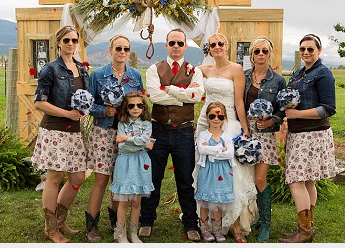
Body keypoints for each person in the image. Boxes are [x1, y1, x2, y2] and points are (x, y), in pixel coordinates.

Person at [139, 28, 205, 241]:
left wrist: (169, 89)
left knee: (185, 179)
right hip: (158, 130)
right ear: (166, 45)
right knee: (153, 177)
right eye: (172, 43)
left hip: (184, 131)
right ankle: (147, 220)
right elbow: (154, 96)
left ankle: (190, 224)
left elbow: (196, 97)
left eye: (180, 43)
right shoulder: (153, 68)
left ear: (185, 46)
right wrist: (182, 95)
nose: (176, 47)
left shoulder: (194, 71)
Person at [195, 32, 257, 242]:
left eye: (221, 43)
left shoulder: (236, 69)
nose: (217, 47)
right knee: (205, 166)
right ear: (209, 48)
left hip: (228, 119)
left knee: (231, 170)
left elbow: (239, 101)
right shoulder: (204, 69)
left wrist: (244, 128)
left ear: (227, 45)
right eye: (213, 44)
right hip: (207, 118)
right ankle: (207, 218)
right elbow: (189, 78)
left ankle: (234, 223)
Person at [31, 25, 90, 243]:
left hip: (74, 131)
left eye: (74, 40)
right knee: (54, 178)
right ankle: (51, 228)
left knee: (77, 177)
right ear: (59, 43)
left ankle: (60, 218)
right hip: (54, 129)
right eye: (67, 40)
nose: (71, 44)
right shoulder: (50, 69)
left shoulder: (81, 68)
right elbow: (39, 102)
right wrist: (67, 113)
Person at [85, 35, 144, 242]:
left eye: (126, 49)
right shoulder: (98, 74)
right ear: (110, 49)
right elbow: (88, 105)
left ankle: (115, 221)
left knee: (119, 179)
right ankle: (92, 224)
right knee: (101, 179)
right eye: (118, 48)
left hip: (127, 134)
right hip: (104, 132)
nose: (122, 52)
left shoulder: (135, 75)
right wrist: (104, 111)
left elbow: (140, 104)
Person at [280, 34, 337, 243]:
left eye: (310, 49)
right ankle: (307, 228)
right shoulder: (298, 74)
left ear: (319, 50)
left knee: (295, 180)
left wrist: (297, 115)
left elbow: (329, 108)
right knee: (308, 180)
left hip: (313, 134)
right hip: (298, 133)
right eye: (303, 49)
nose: (306, 52)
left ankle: (304, 232)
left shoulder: (323, 74)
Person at [243, 37, 287, 241]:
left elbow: (282, 108)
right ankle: (258, 217)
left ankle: (266, 224)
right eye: (257, 51)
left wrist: (272, 122)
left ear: (270, 54)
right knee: (249, 179)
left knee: (260, 178)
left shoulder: (277, 80)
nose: (261, 54)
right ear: (252, 55)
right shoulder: (243, 77)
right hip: (245, 131)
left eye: (265, 51)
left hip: (265, 134)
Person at [109, 91, 155, 243]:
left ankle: (133, 233)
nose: (135, 108)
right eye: (131, 105)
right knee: (123, 201)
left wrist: (127, 138)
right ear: (126, 108)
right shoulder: (122, 123)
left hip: (141, 164)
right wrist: (143, 145)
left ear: (143, 107)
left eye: (139, 105)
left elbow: (144, 140)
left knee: (136, 202)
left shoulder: (147, 124)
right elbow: (122, 148)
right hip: (125, 164)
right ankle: (121, 234)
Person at [195, 102, 237, 242]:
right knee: (206, 201)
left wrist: (212, 150)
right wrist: (221, 149)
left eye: (219, 116)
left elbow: (230, 154)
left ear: (224, 118)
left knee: (218, 201)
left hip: (223, 172)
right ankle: (204, 228)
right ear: (207, 117)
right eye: (212, 116)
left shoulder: (227, 136)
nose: (216, 119)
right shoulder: (203, 135)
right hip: (207, 170)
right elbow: (202, 150)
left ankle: (217, 229)